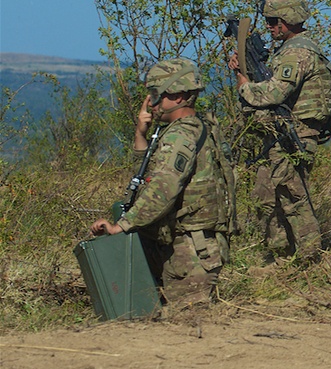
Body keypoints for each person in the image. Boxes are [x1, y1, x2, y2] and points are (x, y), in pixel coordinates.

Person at [91, 58, 236, 308]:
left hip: (191, 253)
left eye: (156, 95)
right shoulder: (195, 128)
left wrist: (121, 227)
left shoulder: (181, 135)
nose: (151, 102)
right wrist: (140, 134)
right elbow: (150, 173)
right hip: (180, 247)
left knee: (186, 327)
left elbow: (162, 188)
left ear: (179, 96)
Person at [228, 0, 331, 262]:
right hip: (278, 135)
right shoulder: (286, 50)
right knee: (265, 196)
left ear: (289, 19)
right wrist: (244, 71)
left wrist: (244, 86)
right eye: (268, 20)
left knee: (292, 198)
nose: (270, 26)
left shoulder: (297, 52)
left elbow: (274, 94)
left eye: (274, 21)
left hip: (294, 135)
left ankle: (309, 260)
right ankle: (280, 257)